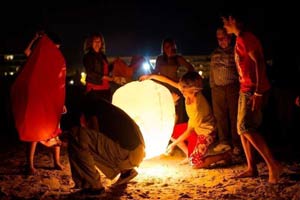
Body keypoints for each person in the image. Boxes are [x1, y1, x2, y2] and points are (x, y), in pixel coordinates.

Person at [221, 13, 281, 183]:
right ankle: (251, 168)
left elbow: (260, 62)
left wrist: (259, 92)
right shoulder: (240, 39)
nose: (225, 26)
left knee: (246, 127)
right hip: (245, 88)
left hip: (253, 89)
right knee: (241, 129)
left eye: (225, 22)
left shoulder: (247, 38)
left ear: (232, 19)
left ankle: (273, 165)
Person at [140, 71, 231, 168]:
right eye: (181, 89)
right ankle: (189, 155)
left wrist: (172, 145)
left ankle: (225, 155)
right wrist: (151, 76)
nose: (181, 91)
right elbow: (167, 80)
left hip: (206, 132)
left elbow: (189, 131)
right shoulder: (186, 90)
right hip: (195, 128)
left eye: (184, 91)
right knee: (171, 131)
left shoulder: (199, 107)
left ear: (193, 90)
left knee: (195, 163)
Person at [67, 93, 145, 195]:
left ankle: (93, 186)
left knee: (76, 134)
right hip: (135, 153)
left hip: (128, 154)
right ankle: (126, 171)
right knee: (85, 141)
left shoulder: (91, 106)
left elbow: (95, 133)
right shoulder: (104, 107)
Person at [11, 31, 66, 174]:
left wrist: (61, 103)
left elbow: (58, 85)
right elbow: (26, 51)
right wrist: (35, 38)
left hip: (51, 100)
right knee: (34, 130)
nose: (57, 51)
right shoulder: (38, 58)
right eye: (55, 47)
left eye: (58, 48)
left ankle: (57, 162)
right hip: (38, 100)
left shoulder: (55, 62)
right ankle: (30, 165)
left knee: (55, 130)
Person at [210, 27, 241, 155]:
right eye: (218, 39)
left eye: (223, 38)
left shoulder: (235, 51)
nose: (221, 41)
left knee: (234, 116)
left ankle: (237, 144)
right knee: (220, 116)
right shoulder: (215, 53)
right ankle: (224, 142)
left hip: (232, 87)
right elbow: (212, 71)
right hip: (218, 88)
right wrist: (212, 86)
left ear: (229, 37)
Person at [152, 37, 195, 125]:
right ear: (163, 48)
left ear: (173, 47)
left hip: (175, 87)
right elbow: (155, 72)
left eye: (170, 46)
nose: (168, 49)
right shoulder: (160, 59)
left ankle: (178, 133)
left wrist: (184, 80)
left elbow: (191, 68)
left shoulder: (177, 58)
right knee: (165, 112)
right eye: (166, 47)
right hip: (164, 88)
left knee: (177, 113)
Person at [83, 32, 112, 102]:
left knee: (106, 111)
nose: (97, 43)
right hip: (94, 88)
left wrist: (114, 65)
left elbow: (105, 70)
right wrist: (105, 77)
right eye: (95, 41)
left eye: (99, 41)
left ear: (101, 43)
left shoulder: (103, 56)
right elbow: (90, 72)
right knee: (96, 111)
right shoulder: (88, 56)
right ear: (90, 43)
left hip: (106, 87)